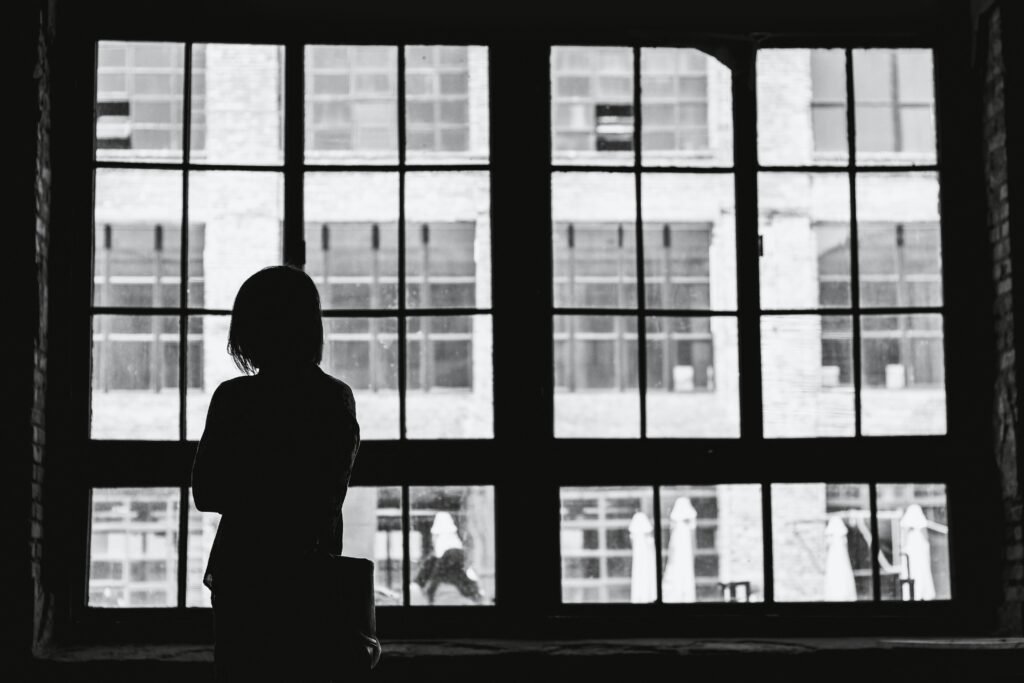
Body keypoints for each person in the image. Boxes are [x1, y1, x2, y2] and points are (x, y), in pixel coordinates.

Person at [191, 265, 361, 681]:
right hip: (310, 577)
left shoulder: (234, 400)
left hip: (244, 576)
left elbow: (207, 492)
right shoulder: (332, 400)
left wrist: (251, 489)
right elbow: (323, 497)